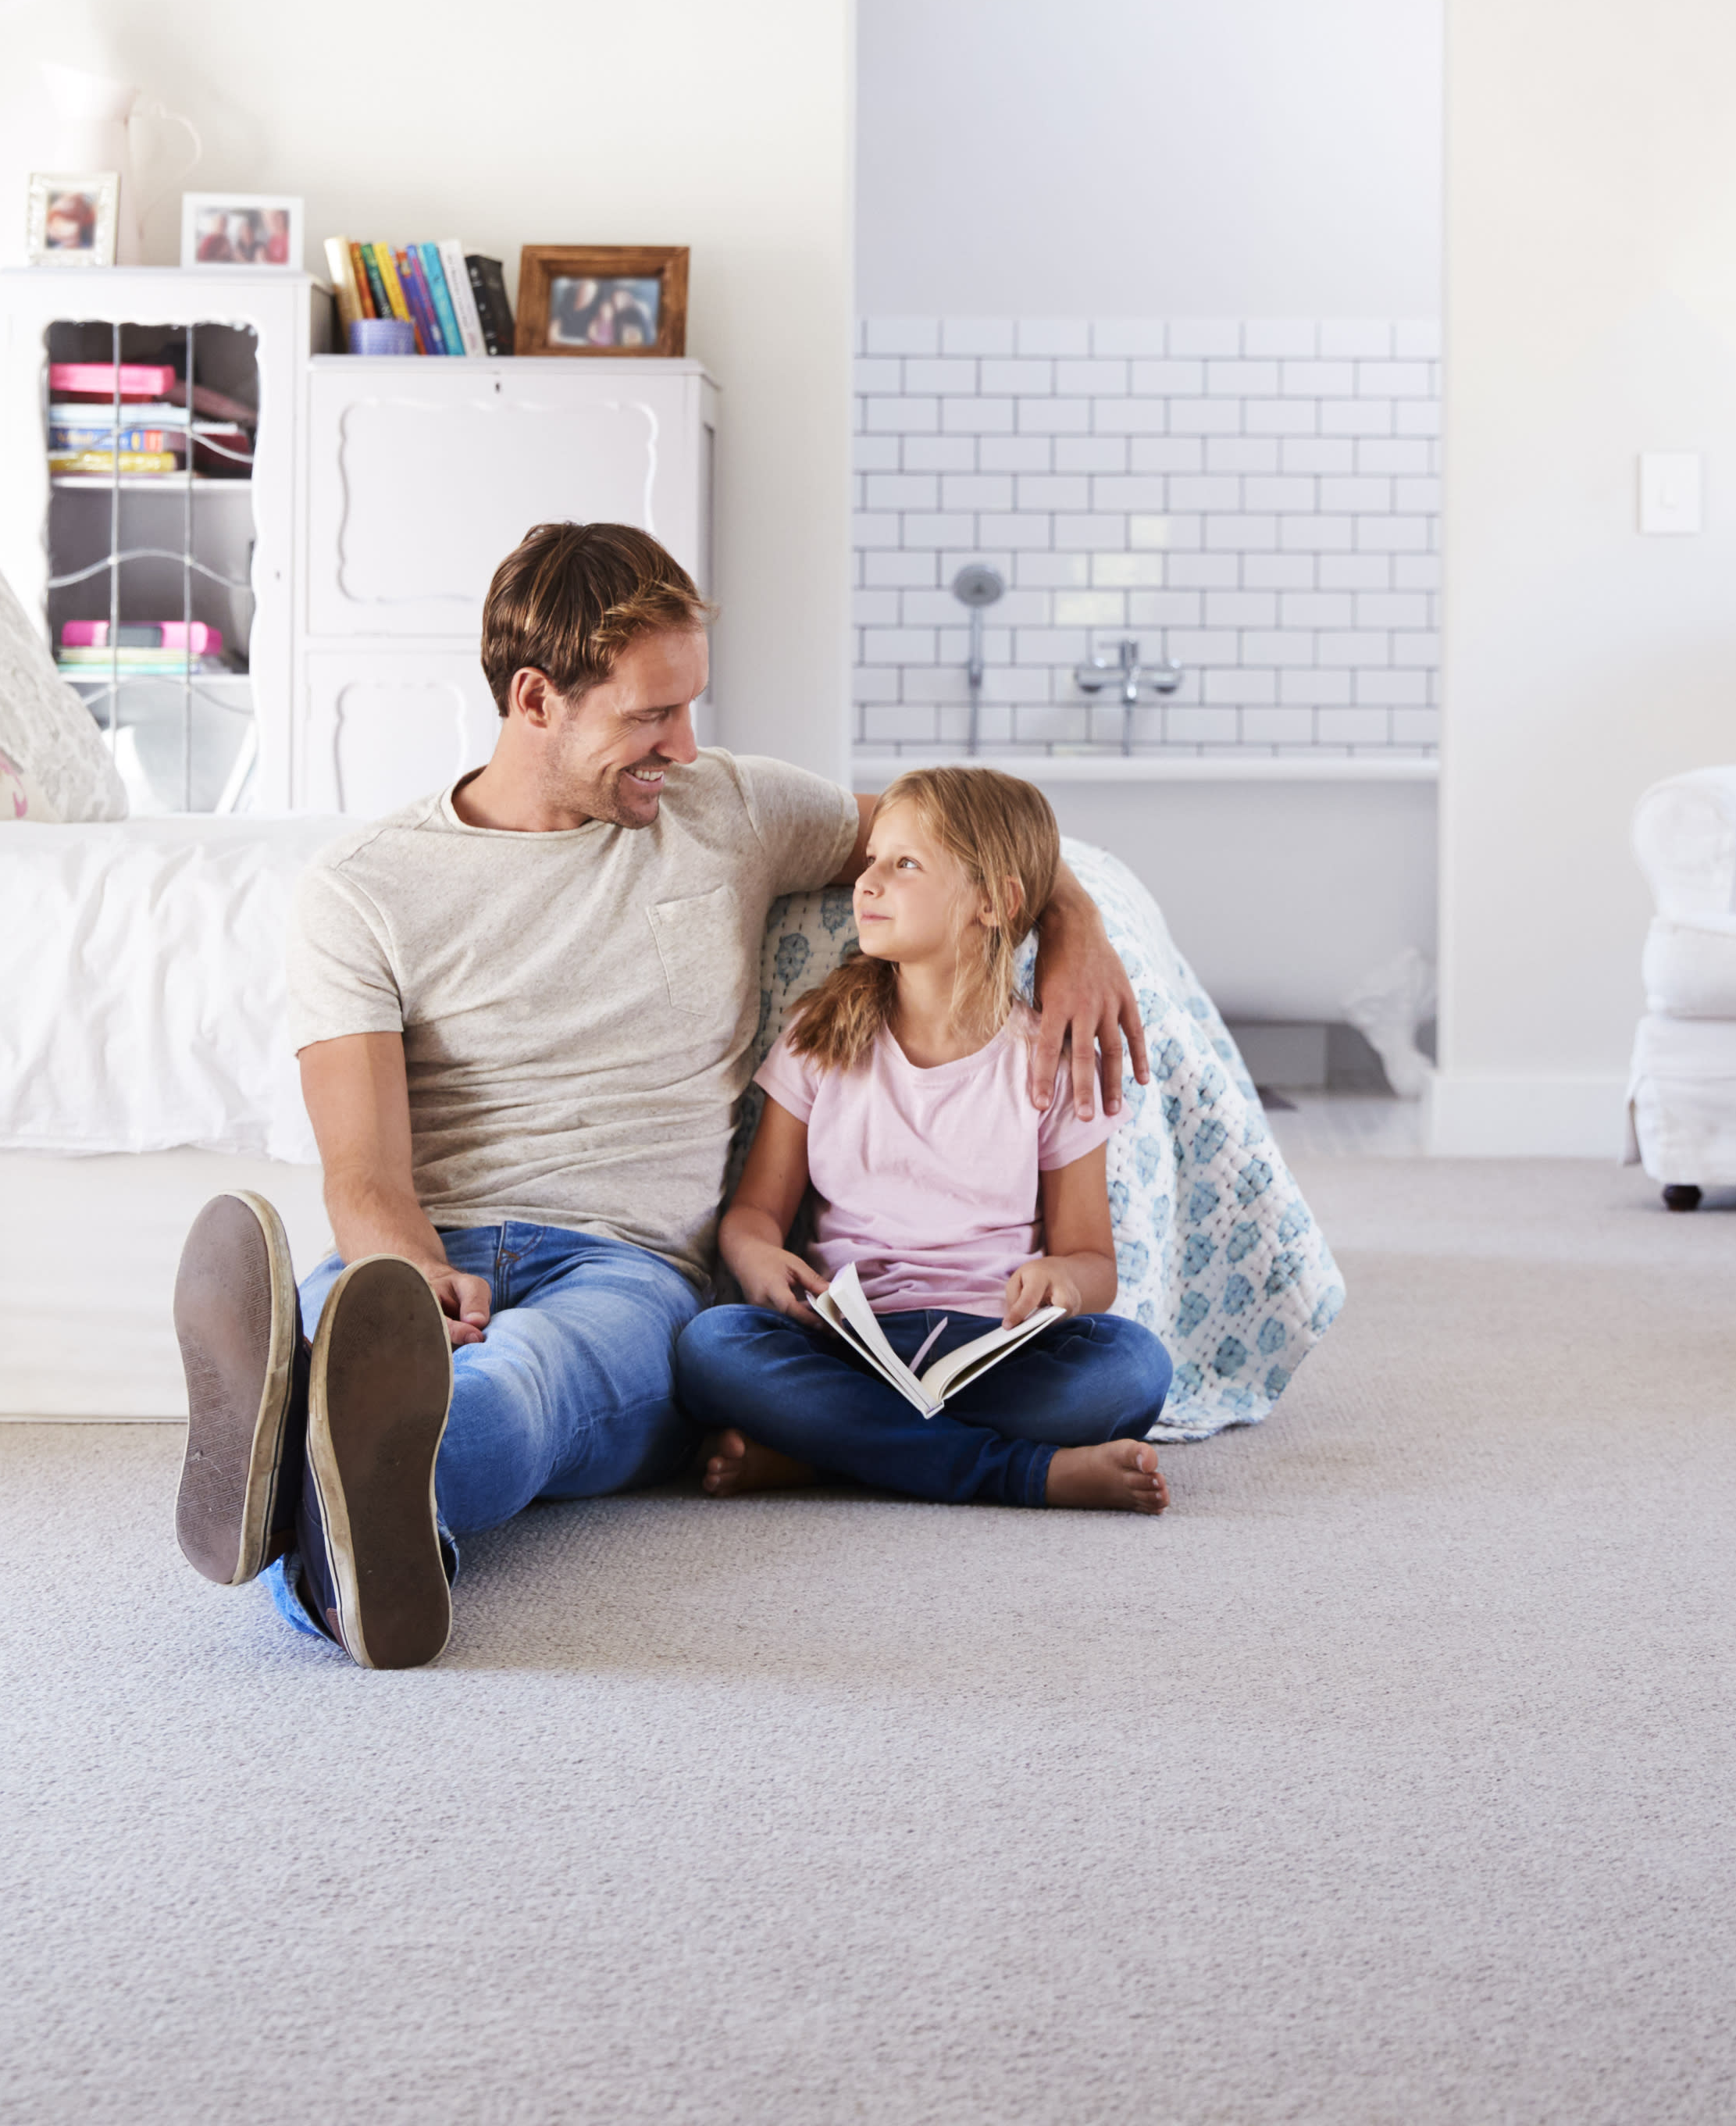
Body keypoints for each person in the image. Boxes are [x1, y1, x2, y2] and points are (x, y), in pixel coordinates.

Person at [164, 523, 1144, 1670]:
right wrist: (417, 1279)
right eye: (649, 716)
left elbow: (965, 835)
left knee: (521, 1379)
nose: (682, 746)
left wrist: (1075, 922)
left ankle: (295, 1461)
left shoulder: (728, 809)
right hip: (427, 1255)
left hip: (619, 1264)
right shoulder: (364, 889)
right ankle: (344, 1495)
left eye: (691, 710)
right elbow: (365, 1175)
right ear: (536, 699)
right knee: (391, 1336)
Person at [674, 769, 1176, 1514]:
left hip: (991, 1351)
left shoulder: (1044, 1060)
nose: (867, 882)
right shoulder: (821, 1039)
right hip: (852, 1344)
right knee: (711, 1347)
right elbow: (755, 1215)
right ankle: (1024, 1474)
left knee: (1131, 1370)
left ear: (994, 902)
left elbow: (1093, 1261)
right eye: (872, 858)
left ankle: (827, 1455)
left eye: (903, 864)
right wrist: (755, 1259)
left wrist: (1064, 1284)